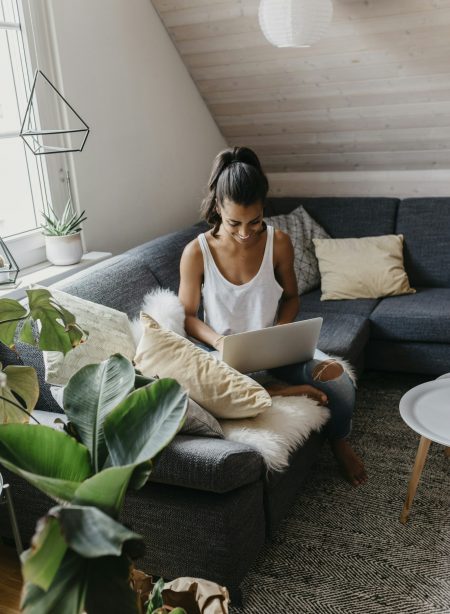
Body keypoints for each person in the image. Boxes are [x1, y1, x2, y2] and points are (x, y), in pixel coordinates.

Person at [179, 146, 367, 487]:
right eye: (234, 222)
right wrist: (219, 341)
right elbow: (188, 316)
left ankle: (338, 440)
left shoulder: (278, 243)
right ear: (218, 206)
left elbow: (292, 296)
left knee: (339, 381)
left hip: (276, 352)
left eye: (254, 221)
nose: (246, 232)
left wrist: (280, 331)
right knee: (200, 396)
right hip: (225, 359)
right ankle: (278, 391)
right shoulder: (196, 252)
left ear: (263, 208)